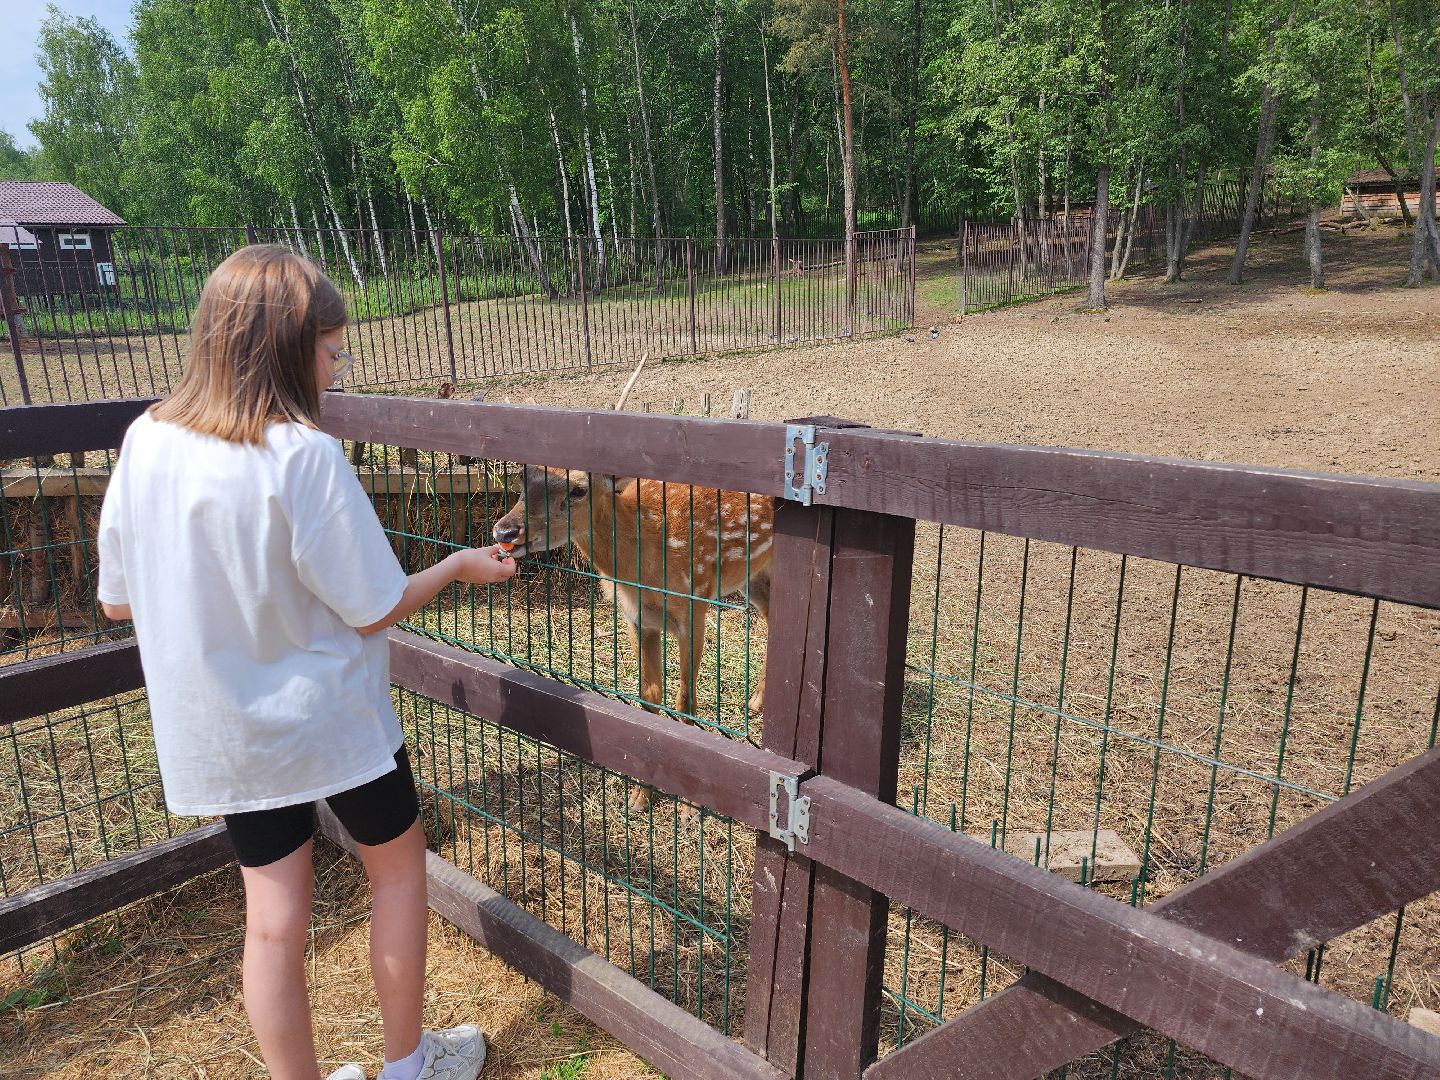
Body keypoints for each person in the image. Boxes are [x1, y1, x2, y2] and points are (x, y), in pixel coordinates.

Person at [96, 244, 515, 1080]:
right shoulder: (303, 456)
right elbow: (375, 603)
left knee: (271, 920)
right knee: (397, 875)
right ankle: (409, 1067)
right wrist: (461, 567)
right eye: (332, 352)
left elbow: (117, 600)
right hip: (331, 721)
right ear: (289, 348)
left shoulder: (147, 440)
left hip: (225, 729)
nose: (337, 368)